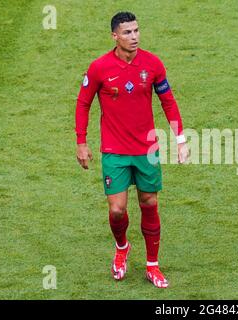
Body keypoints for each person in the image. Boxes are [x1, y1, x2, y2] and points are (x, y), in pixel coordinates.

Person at [75, 11, 188, 288]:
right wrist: (81, 142)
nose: (134, 36)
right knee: (117, 210)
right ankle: (122, 247)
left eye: (136, 31)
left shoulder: (152, 64)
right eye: (127, 32)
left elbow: (168, 102)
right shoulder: (99, 68)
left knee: (149, 202)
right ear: (115, 36)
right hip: (114, 151)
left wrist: (181, 140)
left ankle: (152, 265)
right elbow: (83, 103)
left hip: (147, 150)